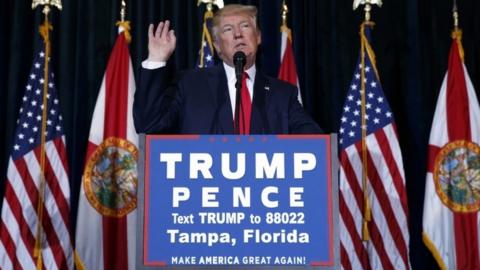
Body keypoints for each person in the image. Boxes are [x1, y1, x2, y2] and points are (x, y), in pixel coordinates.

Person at [133, 4, 321, 134]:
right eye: (228, 29)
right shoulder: (189, 86)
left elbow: (314, 143)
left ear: (258, 37)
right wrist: (156, 59)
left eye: (245, 26)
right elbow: (148, 125)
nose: (238, 34)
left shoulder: (283, 94)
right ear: (216, 45)